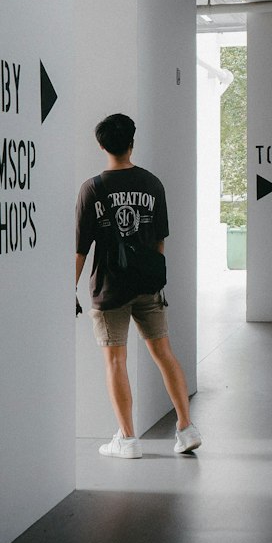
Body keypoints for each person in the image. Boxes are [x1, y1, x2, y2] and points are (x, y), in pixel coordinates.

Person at [75, 112, 201, 458]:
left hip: (109, 288)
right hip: (148, 285)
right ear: (132, 142)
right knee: (163, 353)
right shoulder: (152, 184)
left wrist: (67, 290)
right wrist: (150, 276)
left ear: (101, 145)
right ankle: (186, 428)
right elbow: (159, 240)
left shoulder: (92, 189)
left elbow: (81, 250)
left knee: (115, 360)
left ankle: (128, 440)